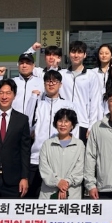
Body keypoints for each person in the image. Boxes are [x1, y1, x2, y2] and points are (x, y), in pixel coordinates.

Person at [24, 70, 76, 198]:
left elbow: (73, 131)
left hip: (58, 159)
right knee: (30, 197)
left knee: (53, 198)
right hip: (35, 158)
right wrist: (33, 99)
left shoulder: (68, 105)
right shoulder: (38, 104)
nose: (51, 84)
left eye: (54, 81)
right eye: (48, 81)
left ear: (60, 84)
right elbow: (26, 125)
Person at [38, 108, 85, 200]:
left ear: (72, 125)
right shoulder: (47, 144)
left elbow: (80, 169)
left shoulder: (79, 145)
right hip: (48, 194)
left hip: (72, 195)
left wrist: (66, 183)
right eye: (60, 121)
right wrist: (57, 182)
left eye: (66, 121)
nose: (63, 124)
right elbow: (44, 168)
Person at [62, 41, 101, 144]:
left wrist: (92, 125)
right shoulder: (62, 75)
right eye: (73, 52)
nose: (76, 55)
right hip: (63, 123)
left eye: (79, 52)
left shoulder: (91, 76)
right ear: (69, 54)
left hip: (83, 123)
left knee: (81, 153)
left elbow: (95, 102)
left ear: (85, 55)